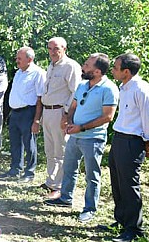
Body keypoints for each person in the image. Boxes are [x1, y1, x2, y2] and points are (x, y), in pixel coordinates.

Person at [44, 53, 118, 223]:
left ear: (97, 71)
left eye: (87, 65)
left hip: (93, 138)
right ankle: (65, 198)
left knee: (92, 175)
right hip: (75, 135)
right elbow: (73, 106)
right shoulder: (83, 85)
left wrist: (81, 127)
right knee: (70, 168)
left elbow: (108, 116)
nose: (83, 67)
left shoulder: (109, 89)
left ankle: (89, 209)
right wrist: (69, 121)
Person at [104, 53, 149, 242]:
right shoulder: (124, 86)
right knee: (117, 182)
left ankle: (134, 229)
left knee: (129, 185)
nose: (112, 70)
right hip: (119, 138)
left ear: (126, 71)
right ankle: (121, 220)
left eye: (116, 68)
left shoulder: (142, 89)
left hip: (132, 141)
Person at [34, 37, 81, 198]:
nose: (53, 52)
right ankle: (51, 181)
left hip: (60, 112)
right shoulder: (51, 66)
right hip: (47, 111)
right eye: (50, 49)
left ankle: (60, 186)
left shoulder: (70, 66)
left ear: (64, 49)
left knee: (60, 149)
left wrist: (67, 115)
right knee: (50, 149)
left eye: (56, 49)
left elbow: (75, 92)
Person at [0, 47, 46, 181]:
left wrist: (36, 120)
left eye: (19, 58)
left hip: (28, 112)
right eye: (16, 58)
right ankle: (15, 169)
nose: (16, 60)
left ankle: (29, 172)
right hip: (15, 113)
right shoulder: (19, 73)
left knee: (29, 143)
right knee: (15, 143)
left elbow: (40, 98)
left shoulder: (38, 73)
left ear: (29, 59)